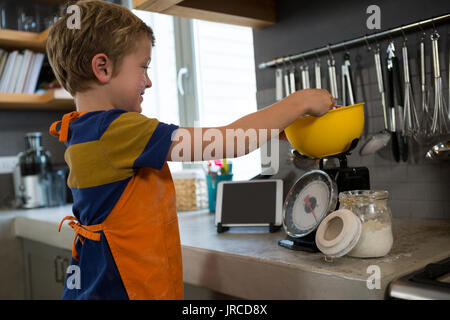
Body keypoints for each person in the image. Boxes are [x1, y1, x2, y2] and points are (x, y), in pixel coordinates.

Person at [47, 0, 335, 300]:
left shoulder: (84, 130)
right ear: (103, 67)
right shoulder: (118, 130)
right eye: (143, 66)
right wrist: (298, 102)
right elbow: (228, 142)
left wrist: (274, 128)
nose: (148, 80)